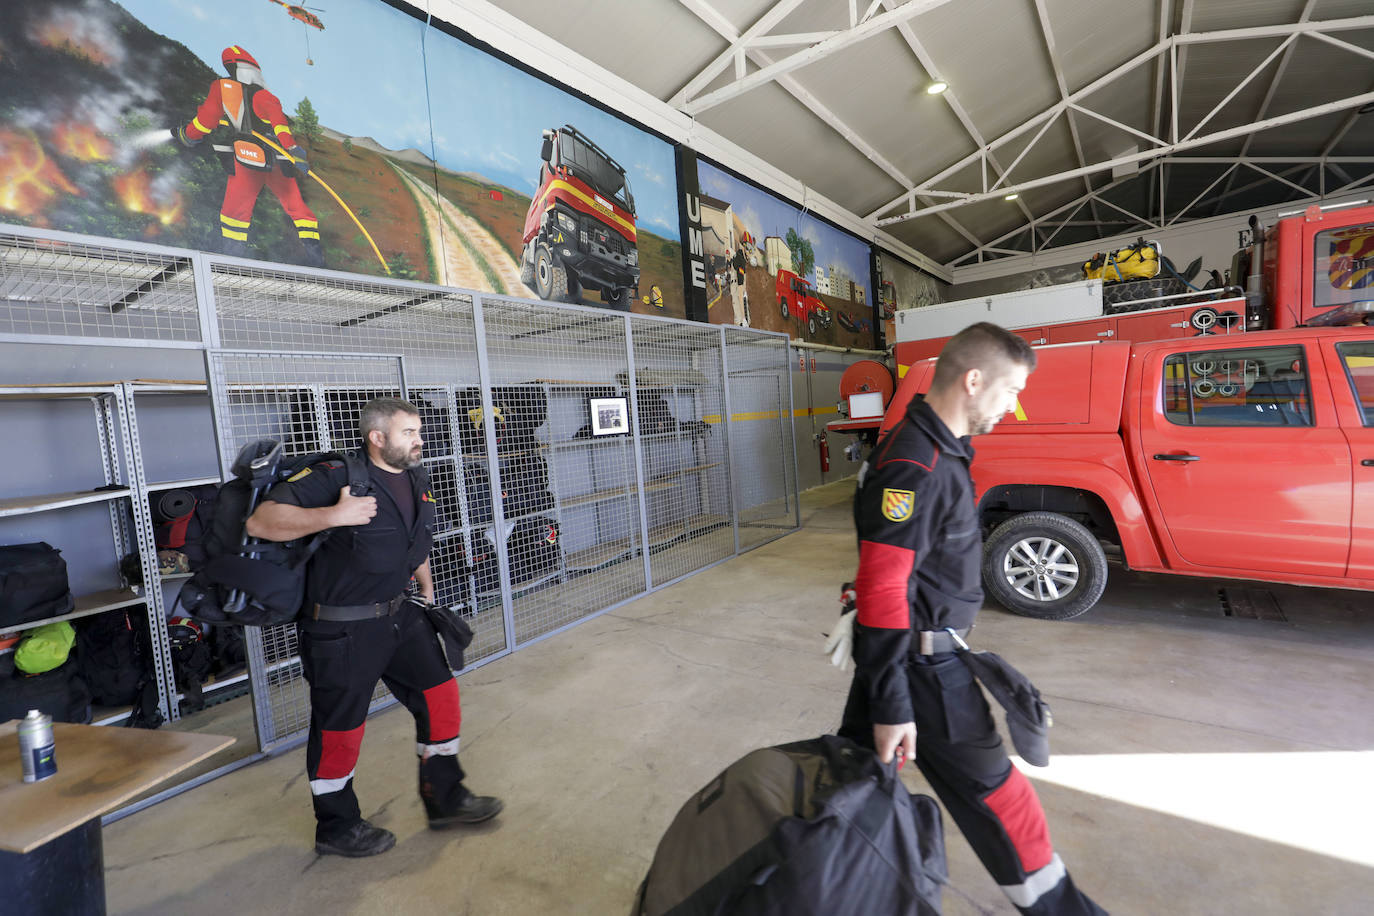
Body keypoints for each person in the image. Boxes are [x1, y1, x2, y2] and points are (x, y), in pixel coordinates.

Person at [836, 322, 1106, 915]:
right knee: (1003, 802)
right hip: (925, 671)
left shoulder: (933, 448)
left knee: (848, 784)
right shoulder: (918, 463)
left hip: (907, 655)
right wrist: (894, 705)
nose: (1013, 409)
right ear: (973, 380)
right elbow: (884, 586)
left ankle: (812, 879)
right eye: (1009, 392)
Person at [246, 397, 502, 857]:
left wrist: (426, 589)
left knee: (440, 697)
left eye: (419, 431)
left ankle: (445, 799)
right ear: (377, 438)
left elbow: (413, 539)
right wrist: (333, 516)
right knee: (340, 729)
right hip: (342, 630)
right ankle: (337, 827)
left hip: (400, 613)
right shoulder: (337, 476)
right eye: (409, 433)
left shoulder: (415, 477)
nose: (420, 440)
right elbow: (262, 521)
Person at [174, 45, 325, 268]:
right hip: (280, 159)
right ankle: (316, 260)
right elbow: (280, 127)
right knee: (298, 208)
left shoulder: (222, 89)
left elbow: (205, 121)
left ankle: (232, 263)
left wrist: (186, 135)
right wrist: (293, 152)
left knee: (234, 213)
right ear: (255, 71)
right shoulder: (266, 96)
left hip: (247, 158)